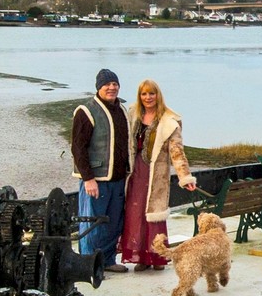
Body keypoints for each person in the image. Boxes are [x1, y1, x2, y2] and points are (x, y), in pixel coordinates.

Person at [119, 79, 197, 269]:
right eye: (144, 94)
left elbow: (177, 152)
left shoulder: (169, 120)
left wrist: (185, 177)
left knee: (155, 216)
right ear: (140, 96)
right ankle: (141, 257)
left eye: (151, 94)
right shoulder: (133, 114)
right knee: (135, 214)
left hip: (157, 174)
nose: (148, 98)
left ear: (158, 95)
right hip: (136, 172)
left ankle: (157, 256)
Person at [71, 68, 133, 272]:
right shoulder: (86, 110)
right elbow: (78, 148)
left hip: (118, 179)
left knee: (113, 223)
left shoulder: (122, 110)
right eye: (107, 84)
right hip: (96, 179)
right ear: (99, 87)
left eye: (115, 84)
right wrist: (88, 179)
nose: (112, 87)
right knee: (92, 223)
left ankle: (107, 261)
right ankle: (89, 265)